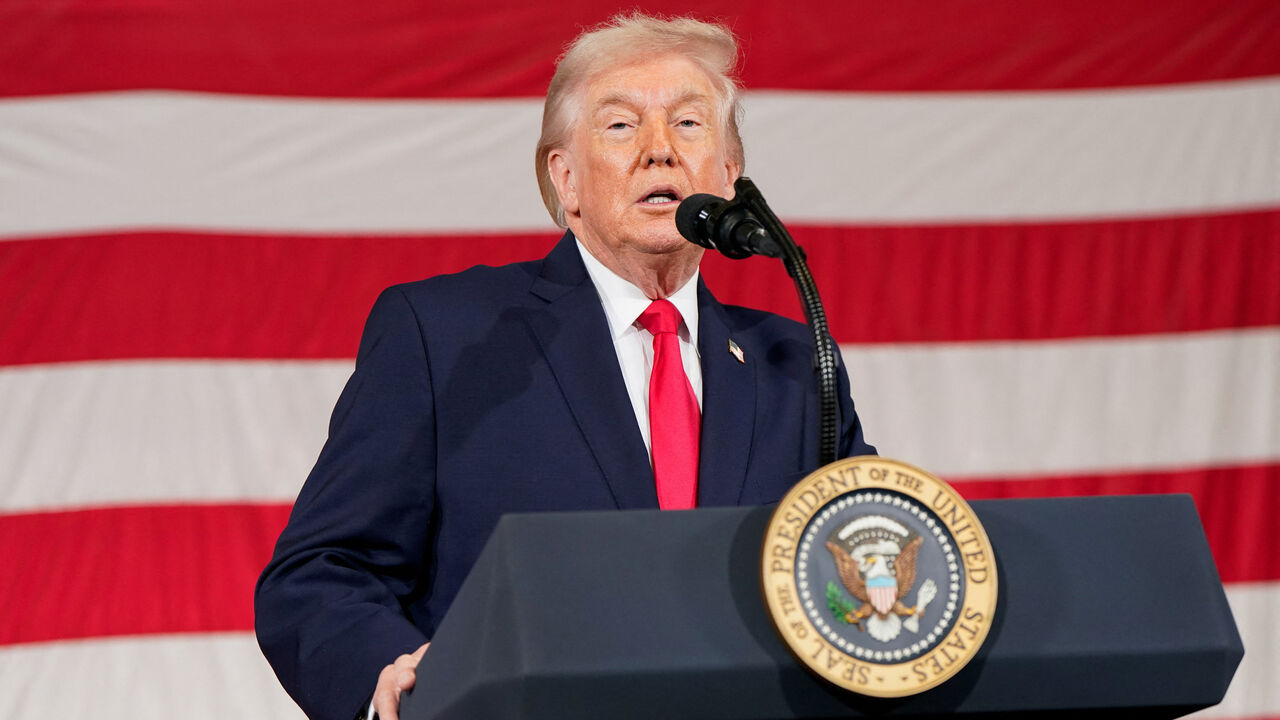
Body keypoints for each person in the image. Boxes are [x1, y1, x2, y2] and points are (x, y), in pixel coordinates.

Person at [255, 13, 875, 720]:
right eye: (621, 126)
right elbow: (319, 573)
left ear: (729, 178)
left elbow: (869, 560)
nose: (660, 151)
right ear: (566, 179)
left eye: (689, 124)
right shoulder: (445, 335)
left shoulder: (794, 364)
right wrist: (395, 675)